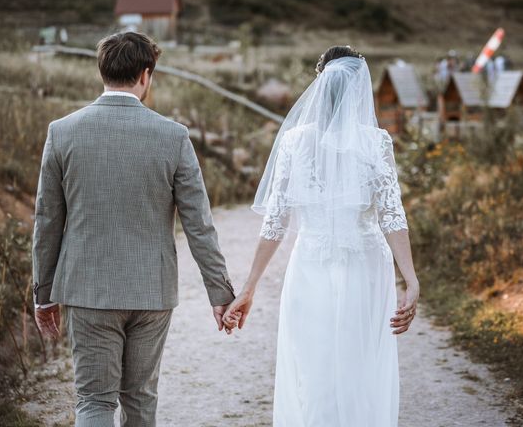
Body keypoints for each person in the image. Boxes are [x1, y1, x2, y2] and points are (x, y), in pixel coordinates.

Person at [32, 31, 237, 426]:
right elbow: (199, 225)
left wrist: (43, 293)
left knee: (94, 401)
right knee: (141, 399)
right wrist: (220, 293)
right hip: (152, 292)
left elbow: (47, 221)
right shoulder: (174, 136)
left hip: (87, 289)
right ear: (146, 75)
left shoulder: (62, 131)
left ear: (102, 72)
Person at [224, 46, 420, 426]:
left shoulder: (295, 142)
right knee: (360, 364)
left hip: (310, 262)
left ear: (320, 84)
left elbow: (275, 224)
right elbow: (392, 216)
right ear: (359, 89)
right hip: (365, 263)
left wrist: (249, 286)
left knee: (311, 365)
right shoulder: (376, 143)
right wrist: (410, 278)